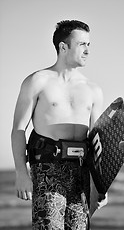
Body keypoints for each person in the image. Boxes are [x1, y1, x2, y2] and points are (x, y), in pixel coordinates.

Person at [11, 20, 107, 230]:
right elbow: (18, 129)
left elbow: (97, 142)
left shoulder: (93, 90)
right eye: (82, 44)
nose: (88, 50)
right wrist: (21, 173)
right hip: (48, 169)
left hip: (81, 173)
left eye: (89, 44)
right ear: (63, 47)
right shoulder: (37, 81)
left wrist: (99, 185)